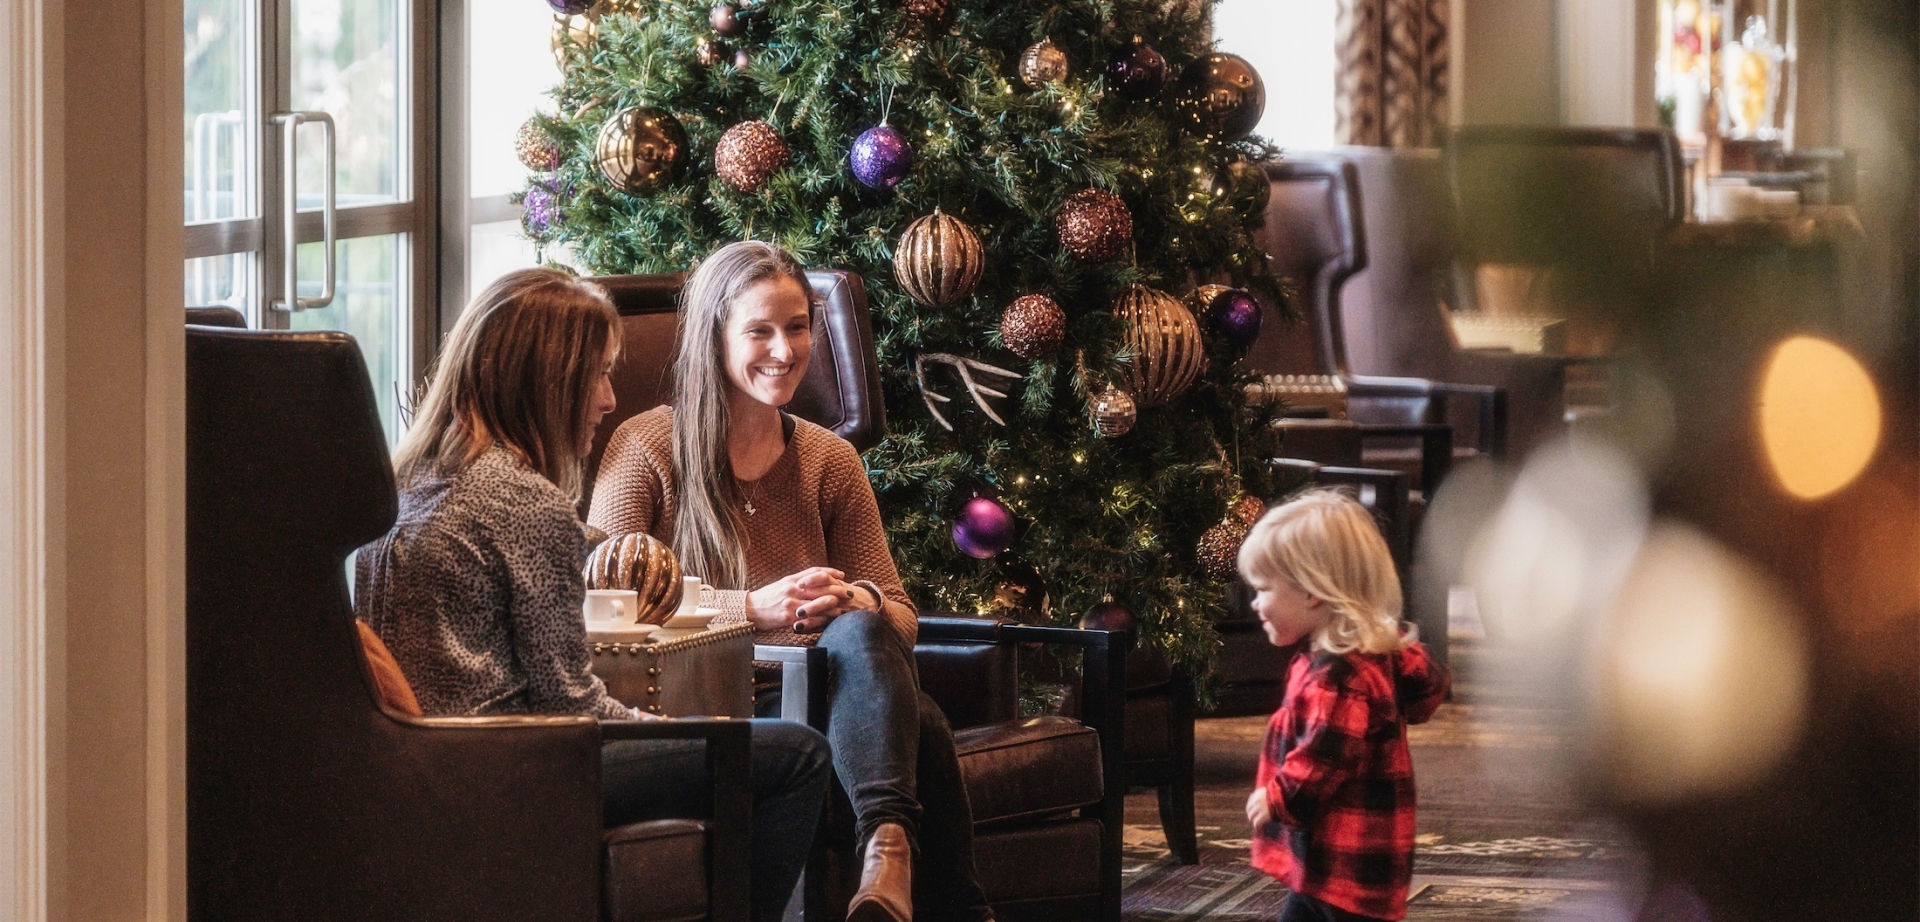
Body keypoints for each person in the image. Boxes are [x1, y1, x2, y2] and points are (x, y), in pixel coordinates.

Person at [353, 267, 831, 922]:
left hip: (424, 769)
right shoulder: (523, 501)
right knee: (795, 753)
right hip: (514, 767)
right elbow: (571, 705)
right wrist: (674, 730)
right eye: (597, 377)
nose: (609, 401)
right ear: (547, 383)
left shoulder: (409, 481)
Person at [588, 241, 993, 922]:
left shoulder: (829, 460)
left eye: (798, 326)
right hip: (707, 702)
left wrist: (852, 597)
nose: (784, 349)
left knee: (864, 623)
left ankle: (886, 857)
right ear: (714, 336)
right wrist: (751, 606)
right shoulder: (646, 447)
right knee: (919, 722)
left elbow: (898, 615)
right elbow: (605, 606)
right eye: (760, 330)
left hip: (831, 702)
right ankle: (921, 877)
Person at [1236, 491, 1450, 922]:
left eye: (1263, 589)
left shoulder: (1336, 677)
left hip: (1344, 861)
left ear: (1312, 591)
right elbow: (1428, 689)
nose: (1255, 603)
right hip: (1351, 856)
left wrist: (1278, 798)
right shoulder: (1371, 656)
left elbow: (1325, 755)